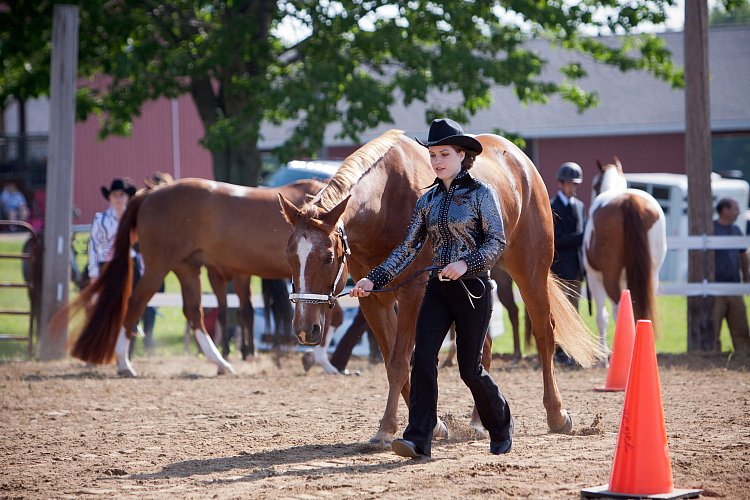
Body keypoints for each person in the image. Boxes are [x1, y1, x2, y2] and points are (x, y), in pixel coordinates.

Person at [350, 118, 513, 458]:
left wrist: (466, 263)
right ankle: (418, 439)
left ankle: (500, 425)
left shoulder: (483, 194)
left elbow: (497, 241)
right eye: (433, 154)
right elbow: (407, 249)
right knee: (422, 360)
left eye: (445, 154)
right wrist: (373, 279)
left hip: (473, 290)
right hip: (437, 291)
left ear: (462, 155)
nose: (437, 161)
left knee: (471, 370)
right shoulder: (427, 201)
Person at [550, 162, 585, 366]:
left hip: (576, 269)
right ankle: (560, 351)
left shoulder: (579, 206)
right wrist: (583, 237)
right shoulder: (554, 207)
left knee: (575, 310)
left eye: (575, 184)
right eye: (570, 184)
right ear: (561, 184)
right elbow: (558, 240)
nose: (573, 187)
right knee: (562, 312)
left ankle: (573, 350)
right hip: (560, 268)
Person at [713, 197, 750, 354]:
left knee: (740, 325)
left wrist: (746, 275)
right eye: (735, 208)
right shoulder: (711, 229)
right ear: (725, 210)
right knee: (713, 326)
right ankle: (713, 355)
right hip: (715, 287)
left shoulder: (737, 231)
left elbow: (743, 255)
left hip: (734, 285)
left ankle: (743, 354)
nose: (738, 212)